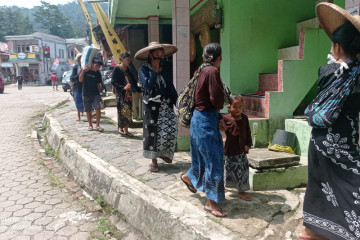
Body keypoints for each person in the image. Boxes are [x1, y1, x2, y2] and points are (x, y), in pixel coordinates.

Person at [300, 3, 360, 240]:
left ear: (336, 47)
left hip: (320, 140)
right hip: (345, 140)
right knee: (352, 183)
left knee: (320, 183)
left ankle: (313, 230)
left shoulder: (326, 71)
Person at [180, 42, 227, 218]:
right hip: (206, 120)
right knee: (213, 161)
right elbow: (217, 100)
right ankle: (211, 202)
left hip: (197, 120)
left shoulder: (200, 70)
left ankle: (190, 178)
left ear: (203, 57)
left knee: (201, 159)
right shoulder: (212, 71)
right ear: (220, 58)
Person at [135, 42, 178, 172]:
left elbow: (170, 88)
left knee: (171, 125)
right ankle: (154, 160)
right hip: (152, 106)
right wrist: (153, 71)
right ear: (151, 55)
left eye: (161, 54)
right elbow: (148, 86)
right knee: (153, 132)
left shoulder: (164, 71)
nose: (160, 56)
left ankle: (164, 153)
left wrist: (178, 103)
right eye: (157, 54)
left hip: (165, 104)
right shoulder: (144, 70)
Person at [220, 95, 252, 201]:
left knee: (242, 170)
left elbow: (248, 132)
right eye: (235, 106)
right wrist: (221, 127)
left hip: (242, 150)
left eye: (240, 107)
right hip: (230, 149)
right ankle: (224, 186)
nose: (237, 109)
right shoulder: (225, 118)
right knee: (228, 169)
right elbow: (218, 122)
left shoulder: (245, 118)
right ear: (229, 107)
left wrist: (248, 144)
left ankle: (241, 191)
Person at [111, 52, 141, 136]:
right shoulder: (117, 69)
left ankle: (125, 129)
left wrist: (139, 90)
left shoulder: (128, 69)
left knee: (128, 110)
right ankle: (122, 128)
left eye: (129, 59)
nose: (128, 61)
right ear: (122, 59)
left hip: (128, 93)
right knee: (123, 110)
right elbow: (113, 81)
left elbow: (134, 81)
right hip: (120, 93)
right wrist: (123, 88)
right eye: (127, 59)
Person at [79, 57, 104, 132]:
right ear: (92, 64)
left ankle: (98, 125)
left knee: (98, 108)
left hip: (95, 93)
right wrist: (83, 71)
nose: (97, 68)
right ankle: (90, 125)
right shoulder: (86, 71)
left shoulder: (98, 73)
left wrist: (100, 96)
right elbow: (80, 80)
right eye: (96, 66)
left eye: (99, 67)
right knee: (88, 110)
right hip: (86, 93)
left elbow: (98, 85)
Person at [70, 53, 84, 121]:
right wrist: (79, 74)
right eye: (80, 58)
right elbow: (72, 78)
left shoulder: (86, 66)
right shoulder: (75, 67)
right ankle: (78, 116)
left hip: (85, 86)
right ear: (78, 59)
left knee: (86, 101)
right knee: (78, 100)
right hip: (77, 87)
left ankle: (88, 115)